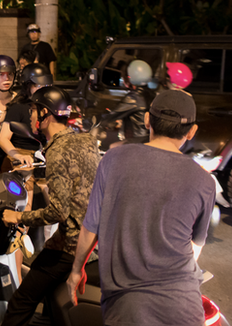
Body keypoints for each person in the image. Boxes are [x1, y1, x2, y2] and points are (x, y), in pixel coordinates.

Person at [67, 90, 216, 326]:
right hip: (185, 307)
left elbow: (91, 228)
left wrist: (77, 270)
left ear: (147, 120)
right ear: (191, 131)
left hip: (128, 309)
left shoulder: (114, 159)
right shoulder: (205, 181)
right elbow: (194, 248)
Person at [1, 86, 99, 326]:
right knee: (47, 297)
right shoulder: (84, 139)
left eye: (33, 110)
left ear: (45, 113)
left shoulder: (57, 151)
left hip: (69, 245)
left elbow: (57, 211)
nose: (31, 116)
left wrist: (18, 217)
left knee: (20, 302)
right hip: (92, 237)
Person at [0, 63, 51, 166]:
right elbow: (3, 138)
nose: (42, 89)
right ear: (27, 86)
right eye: (38, 85)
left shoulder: (49, 107)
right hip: (22, 153)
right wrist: (19, 156)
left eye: (46, 85)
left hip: (44, 155)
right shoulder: (18, 107)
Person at [101, 59, 152, 144]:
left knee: (112, 148)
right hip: (146, 140)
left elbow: (111, 115)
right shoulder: (150, 94)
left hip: (135, 142)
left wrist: (89, 121)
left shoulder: (134, 97)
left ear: (129, 78)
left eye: (123, 77)